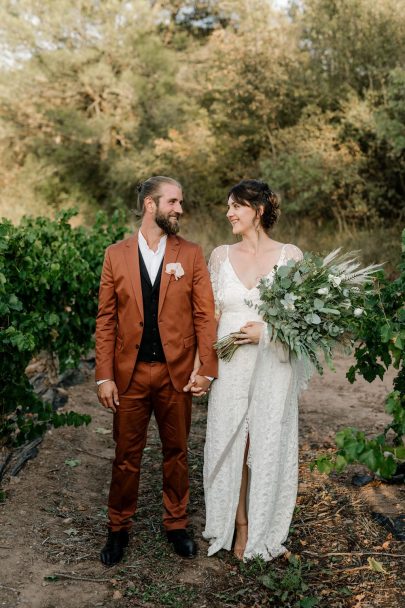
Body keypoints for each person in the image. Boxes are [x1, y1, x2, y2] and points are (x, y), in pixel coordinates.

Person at [95, 176, 218, 566]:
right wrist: (104, 376)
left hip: (176, 373)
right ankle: (118, 529)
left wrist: (206, 369)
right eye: (173, 202)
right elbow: (106, 320)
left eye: (180, 202)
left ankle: (176, 524)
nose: (179, 209)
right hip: (128, 375)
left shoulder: (192, 254)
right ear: (150, 204)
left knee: (177, 452)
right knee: (126, 455)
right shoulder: (115, 254)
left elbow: (204, 316)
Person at [202, 179, 309, 561]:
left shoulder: (290, 255)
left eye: (236, 206)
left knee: (263, 441)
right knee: (231, 439)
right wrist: (204, 366)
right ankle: (237, 524)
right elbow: (209, 315)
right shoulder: (219, 256)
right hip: (231, 366)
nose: (229, 213)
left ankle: (261, 526)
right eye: (229, 206)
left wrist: (268, 331)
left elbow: (302, 324)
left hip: (272, 364)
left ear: (258, 210)